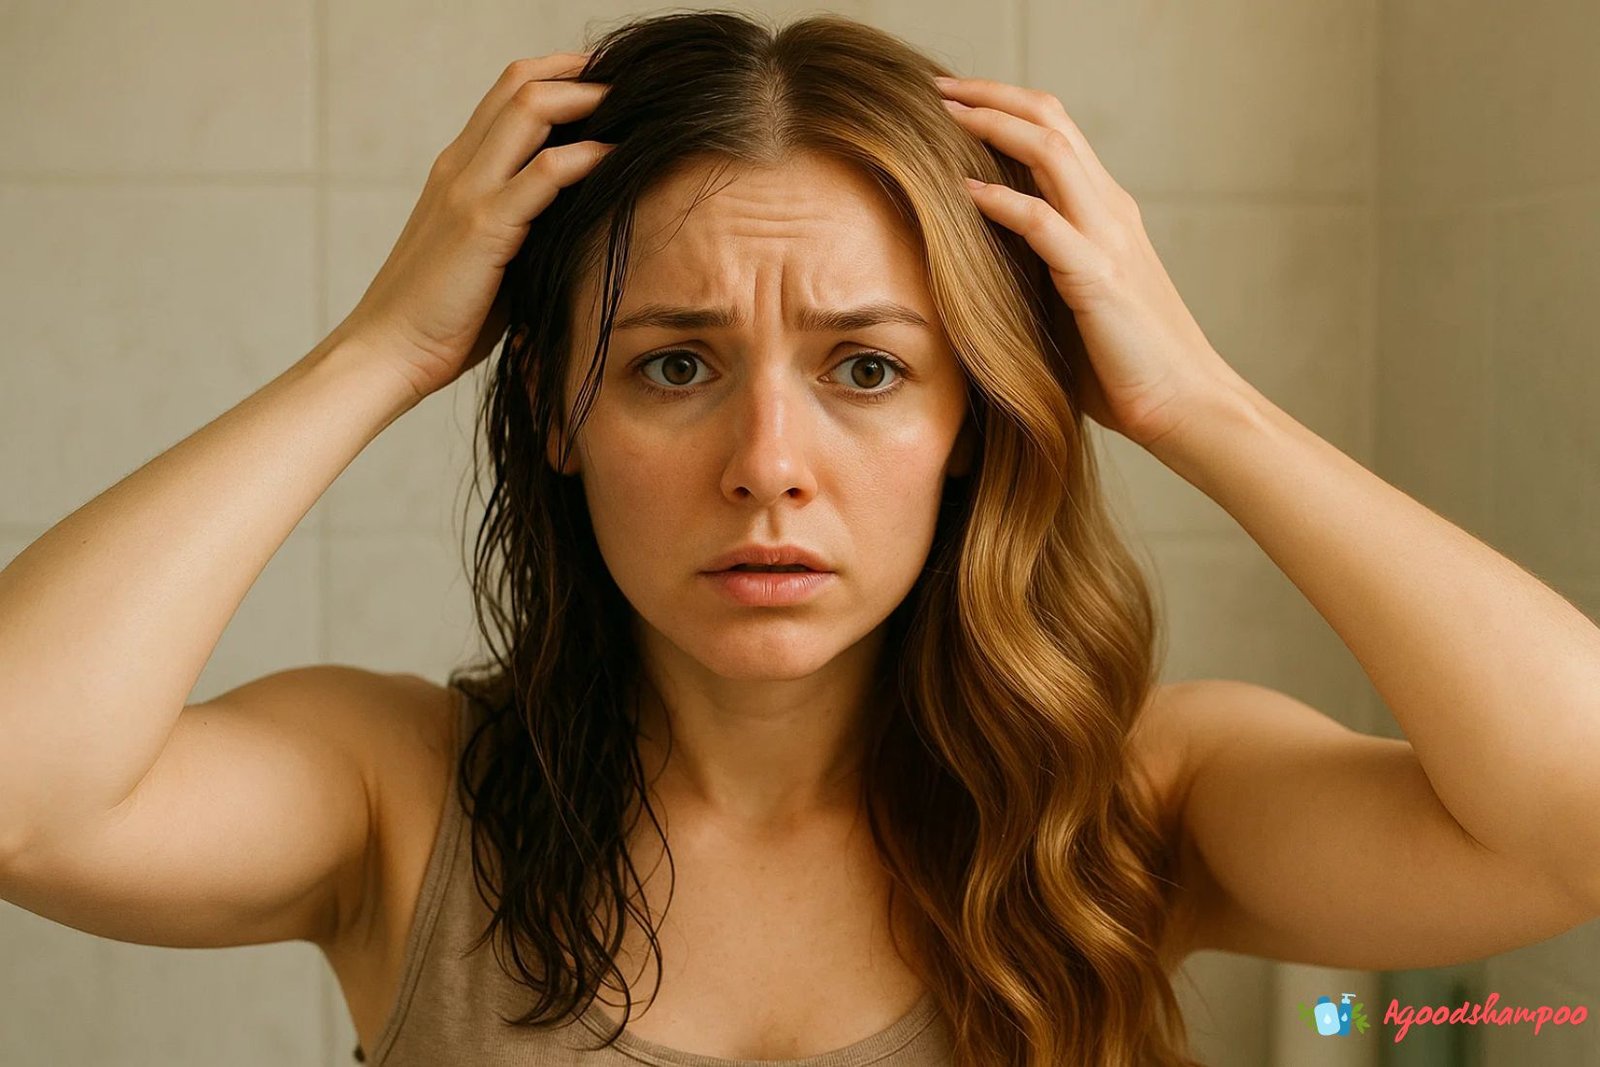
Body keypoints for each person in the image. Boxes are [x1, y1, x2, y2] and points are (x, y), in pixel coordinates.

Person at [5, 10, 1599, 1067]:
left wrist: (1197, 402)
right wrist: (379, 353)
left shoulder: (1127, 811)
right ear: (559, 415)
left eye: (869, 368)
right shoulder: (400, 795)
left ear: (972, 421)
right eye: (673, 365)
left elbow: (1574, 820)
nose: (769, 467)